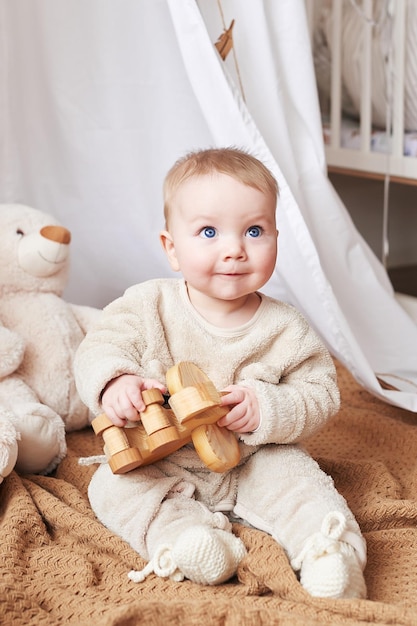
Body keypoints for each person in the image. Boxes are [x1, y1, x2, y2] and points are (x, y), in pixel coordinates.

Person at [74, 147, 367, 598]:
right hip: (163, 457)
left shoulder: (286, 327)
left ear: (275, 236)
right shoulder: (149, 305)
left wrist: (267, 409)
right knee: (111, 489)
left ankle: (328, 550)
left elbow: (321, 392)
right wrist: (116, 381)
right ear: (172, 248)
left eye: (254, 230)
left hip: (256, 457)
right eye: (209, 232)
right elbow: (99, 345)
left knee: (302, 484)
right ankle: (190, 541)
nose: (234, 250)